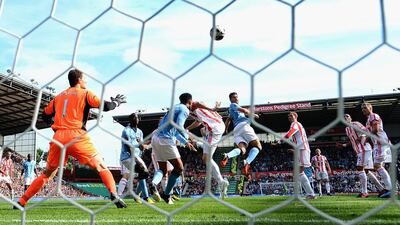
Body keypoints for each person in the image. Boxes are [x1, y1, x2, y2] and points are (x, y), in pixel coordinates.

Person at [15, 69, 127, 208]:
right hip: (77, 136)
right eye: (85, 78)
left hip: (58, 137)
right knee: (100, 166)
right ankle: (113, 193)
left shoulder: (59, 96)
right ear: (79, 80)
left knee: (47, 174)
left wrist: (54, 126)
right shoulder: (86, 93)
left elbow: (44, 114)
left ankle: (22, 201)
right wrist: (116, 102)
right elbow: (106, 106)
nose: (86, 81)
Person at [151, 93, 197, 204]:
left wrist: (185, 142)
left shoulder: (175, 108)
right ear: (190, 101)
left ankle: (153, 183)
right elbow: (180, 127)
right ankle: (166, 194)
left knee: (162, 169)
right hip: (165, 139)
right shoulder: (184, 109)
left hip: (155, 138)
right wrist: (188, 137)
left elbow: (175, 131)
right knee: (179, 168)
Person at [186, 102, 229, 199]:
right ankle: (221, 184)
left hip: (214, 129)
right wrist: (187, 128)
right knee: (205, 158)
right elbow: (198, 122)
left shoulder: (192, 104)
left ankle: (221, 182)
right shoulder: (194, 111)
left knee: (207, 158)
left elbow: (198, 103)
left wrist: (213, 108)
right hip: (213, 129)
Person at [220, 92, 262, 175]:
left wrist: (225, 129)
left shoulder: (231, 110)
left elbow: (228, 119)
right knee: (258, 146)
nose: (236, 99)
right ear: (230, 99)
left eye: (237, 97)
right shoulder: (233, 105)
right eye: (234, 97)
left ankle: (227, 155)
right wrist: (253, 114)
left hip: (237, 130)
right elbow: (244, 110)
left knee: (242, 150)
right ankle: (247, 162)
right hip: (244, 127)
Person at [339, 114, 379, 198]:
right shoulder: (347, 129)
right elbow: (353, 141)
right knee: (367, 171)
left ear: (350, 118)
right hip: (359, 150)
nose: (345, 118)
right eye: (343, 117)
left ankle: (364, 192)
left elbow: (366, 132)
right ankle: (381, 188)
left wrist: (361, 138)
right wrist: (345, 145)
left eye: (347, 116)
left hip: (364, 148)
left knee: (360, 168)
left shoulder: (356, 124)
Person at [118, 113, 154, 204]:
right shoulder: (126, 131)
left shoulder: (140, 132)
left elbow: (140, 146)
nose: (136, 118)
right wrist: (137, 159)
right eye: (134, 117)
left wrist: (145, 146)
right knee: (140, 172)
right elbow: (130, 147)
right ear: (130, 120)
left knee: (145, 174)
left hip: (137, 156)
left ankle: (137, 195)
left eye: (137, 117)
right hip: (127, 157)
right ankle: (145, 197)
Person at [361, 103, 392, 198]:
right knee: (379, 166)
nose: (363, 109)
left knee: (377, 166)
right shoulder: (368, 119)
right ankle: (388, 189)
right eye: (362, 108)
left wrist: (366, 138)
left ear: (370, 108)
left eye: (365, 107)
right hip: (378, 143)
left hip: (380, 143)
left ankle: (389, 189)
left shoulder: (373, 116)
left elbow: (376, 129)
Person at [284, 111, 315, 199]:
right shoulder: (296, 124)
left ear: (295, 116)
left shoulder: (295, 124)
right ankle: (310, 193)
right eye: (288, 116)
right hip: (300, 149)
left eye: (291, 116)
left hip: (302, 149)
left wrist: (281, 140)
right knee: (298, 172)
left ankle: (311, 193)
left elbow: (290, 133)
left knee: (301, 171)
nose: (289, 117)